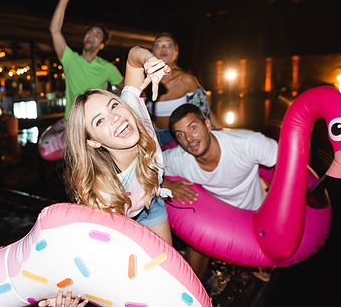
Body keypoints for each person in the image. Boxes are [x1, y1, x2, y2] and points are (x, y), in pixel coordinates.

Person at [62, 46, 173, 245]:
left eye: (113, 105)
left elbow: (132, 58)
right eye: (99, 121)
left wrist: (149, 60)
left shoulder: (132, 112)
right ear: (93, 141)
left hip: (152, 201)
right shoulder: (102, 192)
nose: (115, 117)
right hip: (118, 220)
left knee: (168, 265)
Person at [162, 103, 278, 280]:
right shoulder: (179, 159)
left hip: (253, 214)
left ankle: (252, 266)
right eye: (180, 135)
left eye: (193, 127)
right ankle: (191, 294)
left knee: (267, 262)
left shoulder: (247, 143)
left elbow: (289, 163)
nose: (189, 138)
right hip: (217, 217)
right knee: (198, 242)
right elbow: (144, 171)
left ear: (208, 125)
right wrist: (167, 184)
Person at [40, 0, 124, 160]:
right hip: (71, 121)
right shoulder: (70, 59)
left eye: (97, 35)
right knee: (45, 150)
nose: (91, 36)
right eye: (90, 32)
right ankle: (77, 146)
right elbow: (54, 30)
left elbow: (126, 89)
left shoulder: (107, 68)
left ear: (101, 45)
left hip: (95, 122)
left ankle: (86, 149)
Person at [145, 33, 222, 146]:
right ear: (152, 54)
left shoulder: (187, 80)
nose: (163, 48)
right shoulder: (145, 82)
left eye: (168, 45)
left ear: (175, 53)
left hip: (183, 135)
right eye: (158, 45)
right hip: (155, 137)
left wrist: (224, 132)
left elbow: (204, 111)